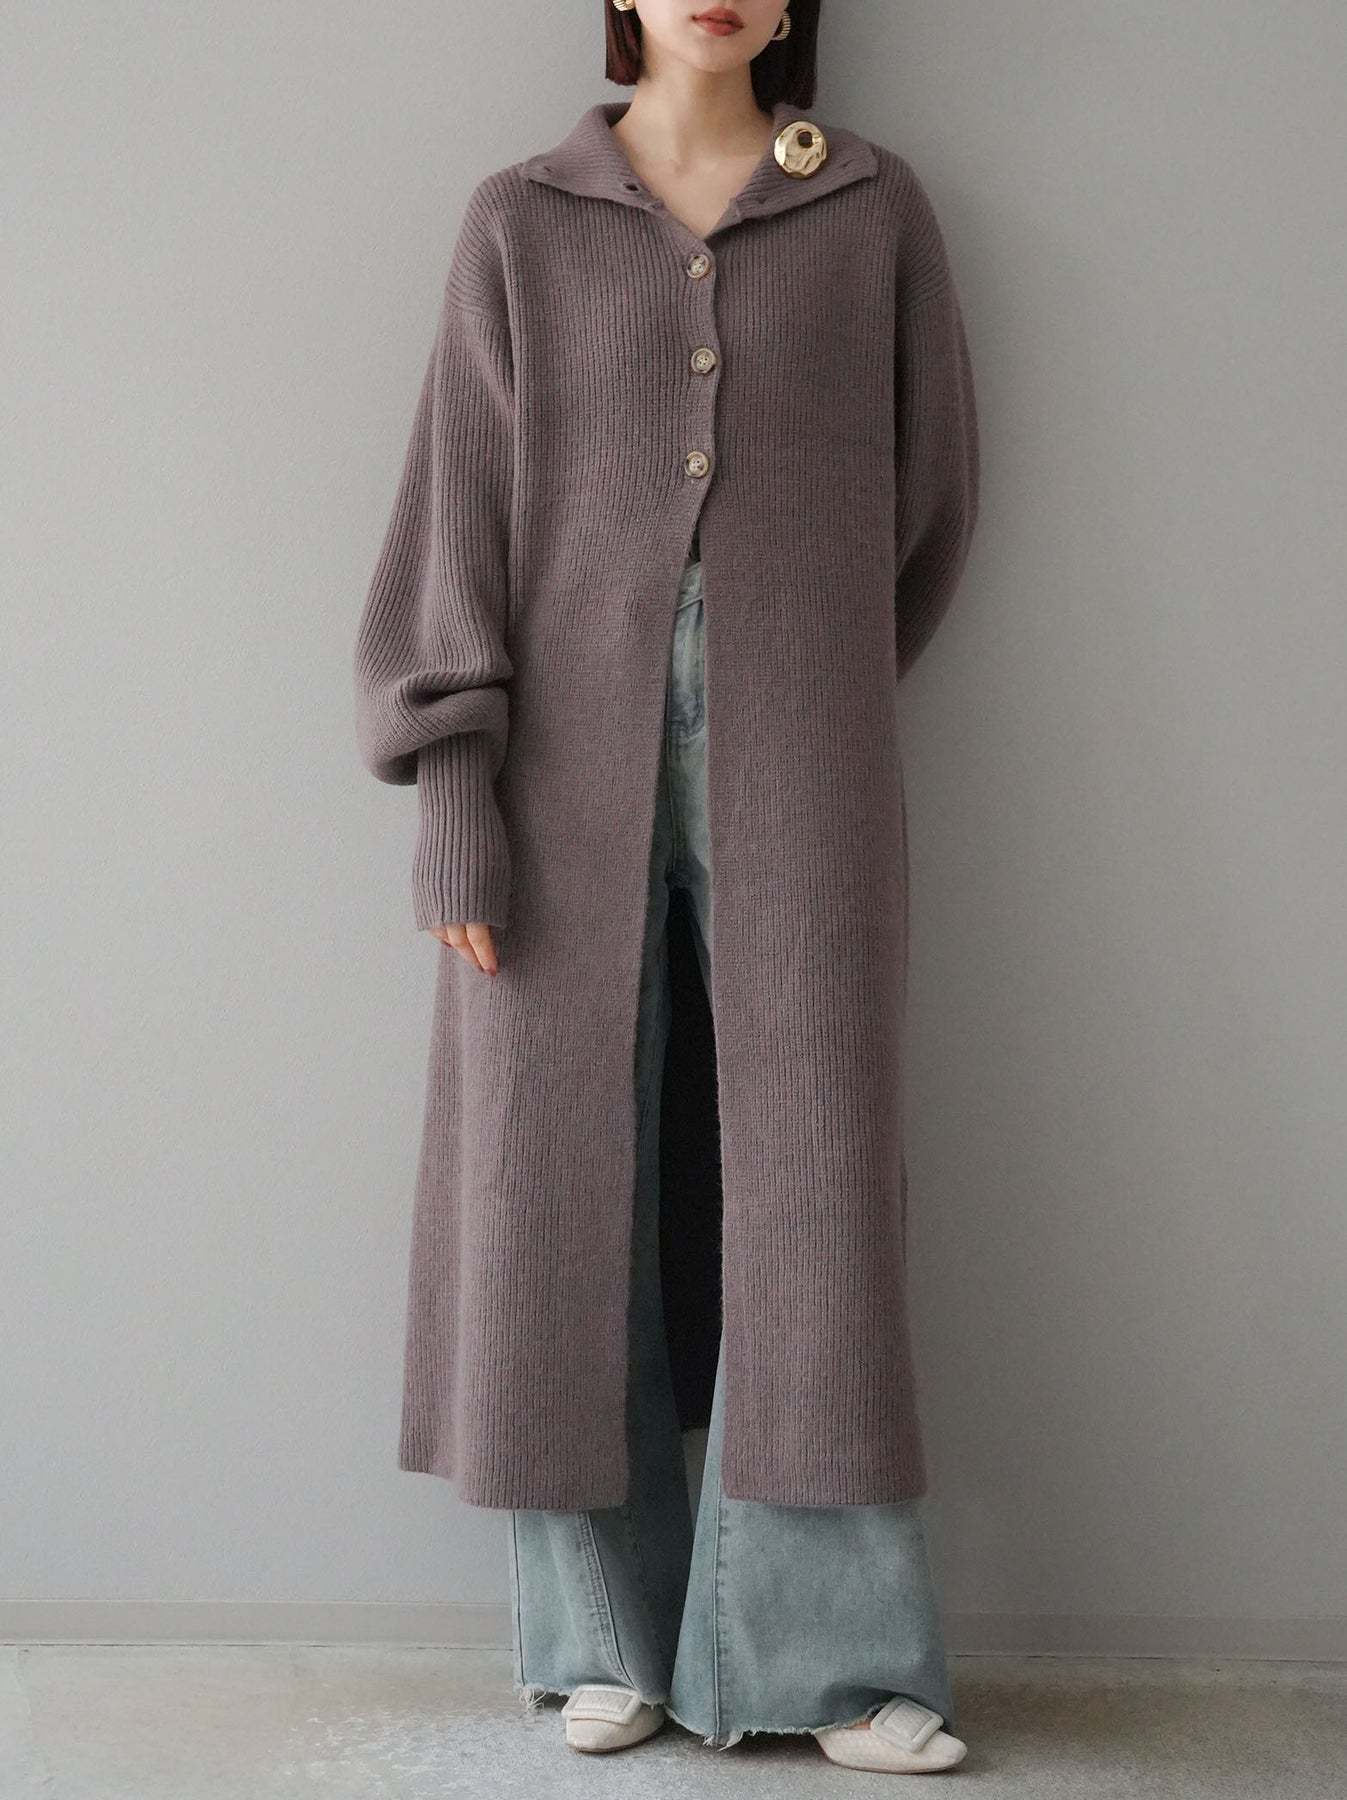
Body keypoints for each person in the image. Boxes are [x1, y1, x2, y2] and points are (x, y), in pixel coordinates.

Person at [353, 0, 979, 1773]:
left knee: (816, 1190)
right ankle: (599, 1643)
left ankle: (830, 1660)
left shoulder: (869, 205)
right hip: (551, 778)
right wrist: (455, 794)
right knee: (553, 1190)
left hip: (809, 773)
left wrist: (806, 681)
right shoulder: (523, 218)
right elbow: (458, 517)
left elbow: (929, 506)